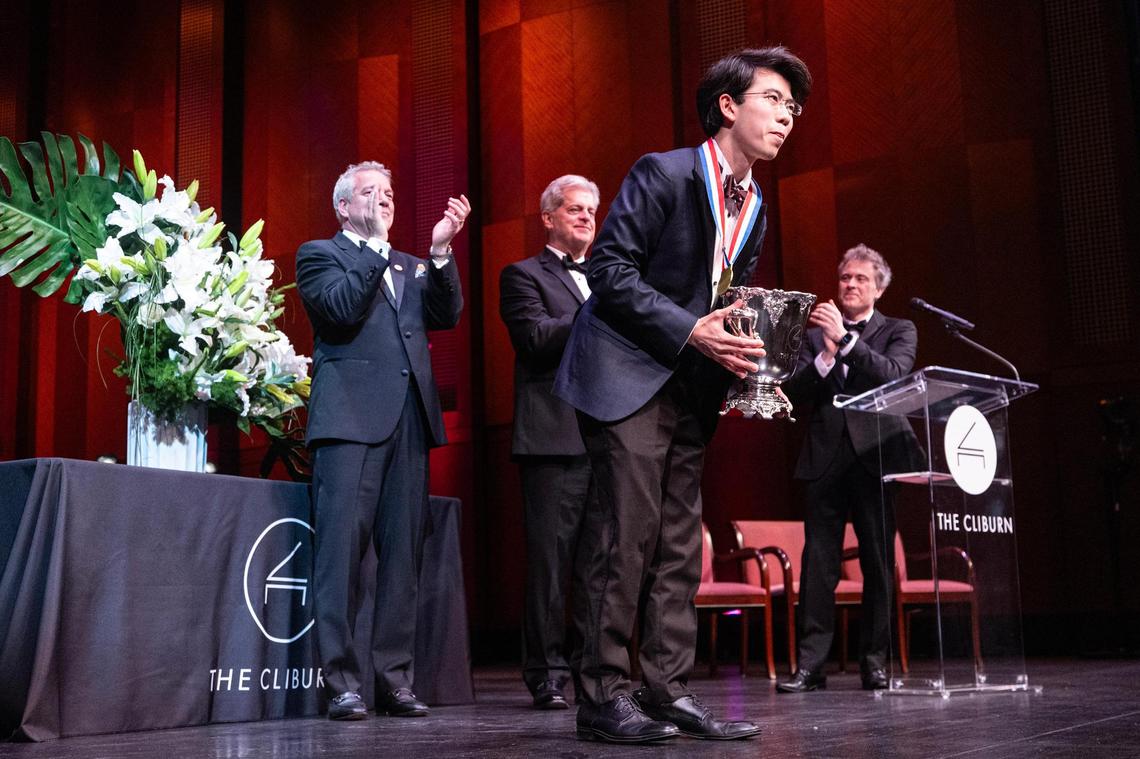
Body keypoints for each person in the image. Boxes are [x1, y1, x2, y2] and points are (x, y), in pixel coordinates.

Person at [552, 47, 811, 743]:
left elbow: (720, 294)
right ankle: (602, 693)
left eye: (793, 106)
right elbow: (608, 267)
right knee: (624, 534)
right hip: (625, 371)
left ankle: (666, 687)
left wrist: (747, 343)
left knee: (675, 544)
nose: (787, 114)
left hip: (691, 385)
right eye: (773, 98)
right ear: (728, 105)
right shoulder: (662, 171)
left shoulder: (756, 203)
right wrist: (691, 327)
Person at [296, 161, 470, 720]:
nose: (384, 199)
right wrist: (371, 249)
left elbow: (448, 314)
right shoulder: (319, 254)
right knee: (341, 556)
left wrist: (441, 254)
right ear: (344, 207)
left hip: (410, 423)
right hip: (348, 422)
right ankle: (340, 683)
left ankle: (394, 680)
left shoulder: (411, 264)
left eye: (390, 192)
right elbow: (340, 312)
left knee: (403, 561)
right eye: (370, 192)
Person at [777, 244, 919, 694]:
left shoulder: (899, 329)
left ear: (878, 287)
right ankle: (810, 666)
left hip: (877, 458)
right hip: (824, 458)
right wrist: (823, 356)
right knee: (819, 566)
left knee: (878, 564)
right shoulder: (815, 333)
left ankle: (874, 663)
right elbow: (792, 391)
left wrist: (848, 343)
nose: (850, 285)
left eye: (860, 279)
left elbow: (894, 375)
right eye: (844, 279)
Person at [499, 175, 600, 711]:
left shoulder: (606, 278)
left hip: (605, 438)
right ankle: (546, 673)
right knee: (549, 566)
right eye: (573, 208)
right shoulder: (521, 275)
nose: (585, 216)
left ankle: (594, 669)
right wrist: (598, 304)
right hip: (552, 438)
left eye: (590, 209)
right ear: (548, 218)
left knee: (597, 565)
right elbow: (535, 340)